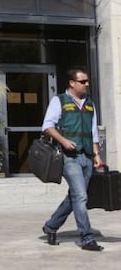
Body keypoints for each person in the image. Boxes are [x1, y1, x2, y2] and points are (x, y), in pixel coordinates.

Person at [41, 67, 104, 251]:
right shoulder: (58, 101)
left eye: (87, 81)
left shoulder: (90, 103)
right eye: (83, 81)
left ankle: (51, 226)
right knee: (81, 196)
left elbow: (93, 132)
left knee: (75, 197)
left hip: (87, 157)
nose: (87, 84)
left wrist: (97, 155)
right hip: (69, 158)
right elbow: (47, 126)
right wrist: (63, 140)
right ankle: (86, 238)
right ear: (72, 83)